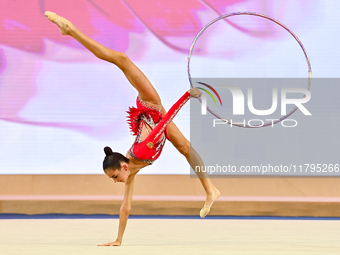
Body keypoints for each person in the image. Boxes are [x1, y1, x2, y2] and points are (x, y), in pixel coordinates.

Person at [45, 11, 220, 246]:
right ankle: (210, 190)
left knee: (122, 59)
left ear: (124, 166)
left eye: (115, 176)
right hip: (158, 121)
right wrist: (118, 240)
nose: (117, 181)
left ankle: (72, 31)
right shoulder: (132, 168)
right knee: (185, 147)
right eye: (114, 178)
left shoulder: (142, 152)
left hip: (151, 105)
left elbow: (165, 121)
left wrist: (187, 96)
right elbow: (126, 206)